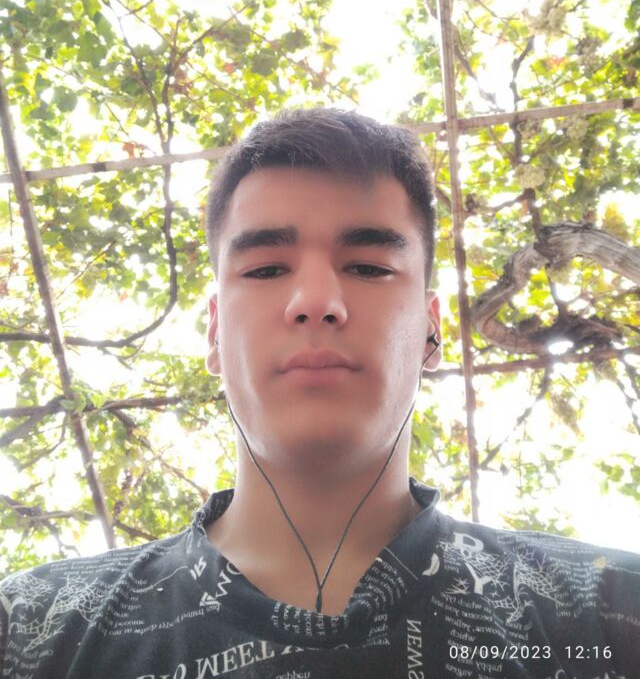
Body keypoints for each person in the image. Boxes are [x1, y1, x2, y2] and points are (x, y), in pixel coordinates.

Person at [1, 108, 639, 679]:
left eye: (368, 267)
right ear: (216, 333)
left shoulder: (613, 614)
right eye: (265, 269)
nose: (315, 301)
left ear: (431, 330)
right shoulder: (29, 629)